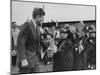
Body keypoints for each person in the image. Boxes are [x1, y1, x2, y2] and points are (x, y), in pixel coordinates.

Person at [17, 8, 47, 74]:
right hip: (27, 60)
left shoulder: (37, 27)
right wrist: (23, 59)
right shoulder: (28, 25)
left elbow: (39, 40)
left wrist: (47, 48)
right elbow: (20, 42)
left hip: (35, 59)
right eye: (42, 17)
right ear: (38, 16)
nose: (42, 20)